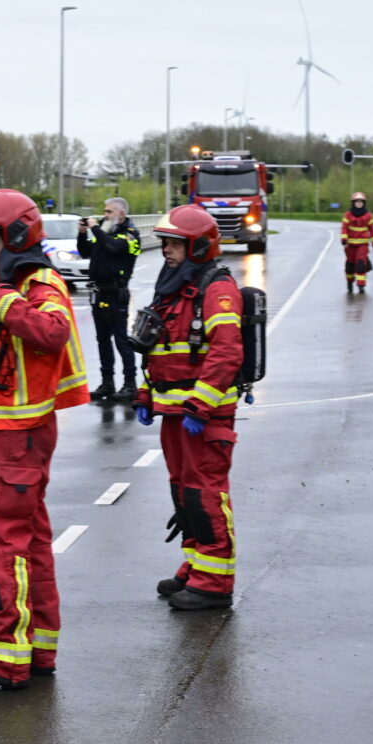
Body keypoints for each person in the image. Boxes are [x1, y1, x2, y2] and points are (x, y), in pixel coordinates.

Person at [0, 189, 88, 692]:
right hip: (2, 433)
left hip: (16, 436)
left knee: (0, 544)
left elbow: (50, 331)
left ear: (12, 235)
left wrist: (1, 298)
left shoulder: (38, 283)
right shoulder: (7, 283)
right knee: (29, 544)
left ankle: (3, 660)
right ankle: (36, 651)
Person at [132, 205, 242, 612]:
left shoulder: (217, 289)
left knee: (205, 494)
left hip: (203, 418)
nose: (166, 249)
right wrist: (146, 395)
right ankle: (196, 565)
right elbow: (158, 347)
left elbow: (227, 352)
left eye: (175, 243)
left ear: (197, 246)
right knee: (184, 493)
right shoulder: (174, 286)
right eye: (164, 242)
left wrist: (200, 405)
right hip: (176, 414)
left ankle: (214, 582)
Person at [76, 196, 142, 401]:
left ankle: (130, 384)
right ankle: (107, 383)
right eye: (104, 211)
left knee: (121, 340)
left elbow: (114, 247)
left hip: (117, 294)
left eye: (109, 212)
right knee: (102, 340)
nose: (105, 215)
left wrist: (95, 229)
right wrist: (82, 233)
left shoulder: (131, 235)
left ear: (121, 214)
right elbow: (85, 251)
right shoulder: (104, 232)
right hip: (99, 293)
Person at [340, 191, 373, 293]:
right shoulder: (348, 215)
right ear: (353, 203)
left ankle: (361, 285)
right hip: (350, 245)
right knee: (350, 264)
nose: (359, 203)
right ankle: (349, 282)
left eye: (361, 202)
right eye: (357, 202)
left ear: (364, 203)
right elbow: (344, 228)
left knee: (361, 263)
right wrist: (344, 238)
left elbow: (372, 230)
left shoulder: (368, 216)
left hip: (363, 244)